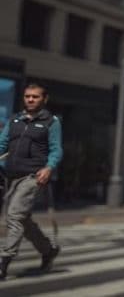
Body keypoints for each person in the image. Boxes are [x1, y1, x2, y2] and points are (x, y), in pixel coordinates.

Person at [0, 84, 62, 280]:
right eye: (27, 96)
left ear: (45, 99)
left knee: (15, 216)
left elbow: (56, 149)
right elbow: (2, 144)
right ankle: (48, 250)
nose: (30, 100)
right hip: (11, 176)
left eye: (35, 97)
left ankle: (3, 261)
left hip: (33, 176)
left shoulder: (51, 122)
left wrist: (49, 167)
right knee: (23, 221)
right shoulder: (15, 119)